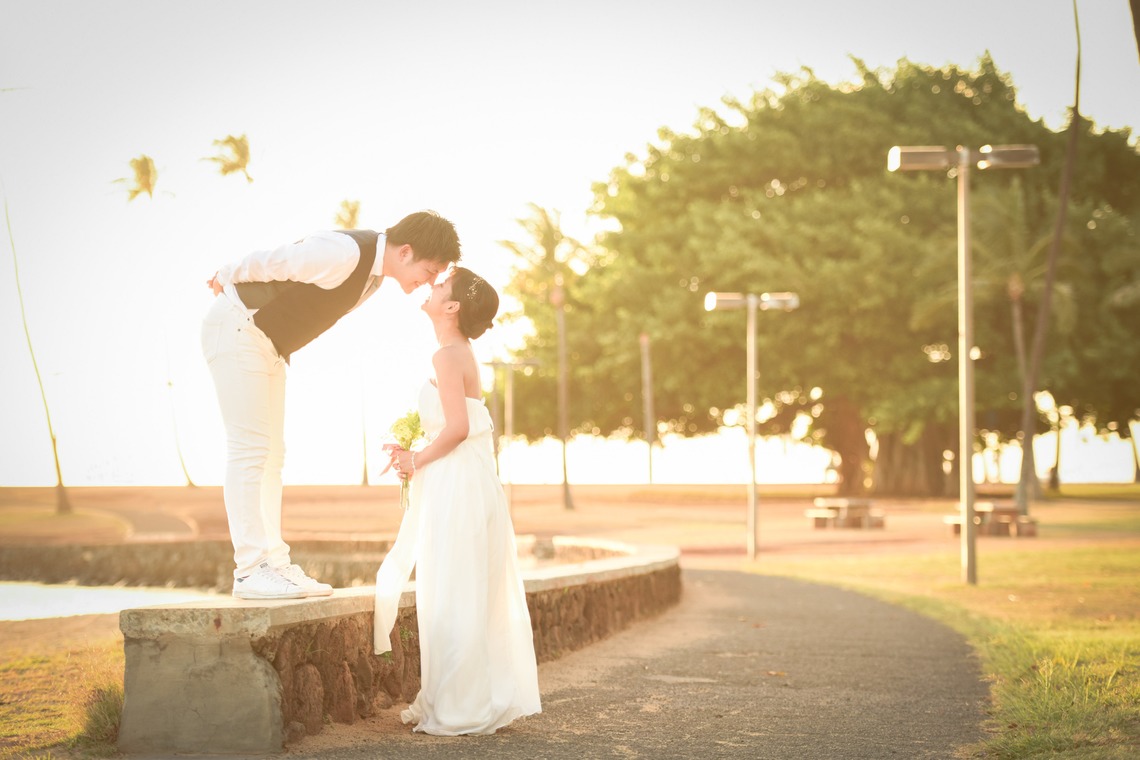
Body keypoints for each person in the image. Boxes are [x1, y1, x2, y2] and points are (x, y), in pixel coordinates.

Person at [202, 211, 461, 600]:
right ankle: (250, 569)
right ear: (405, 251)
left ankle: (274, 563)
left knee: (273, 456)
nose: (429, 281)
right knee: (250, 449)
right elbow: (279, 259)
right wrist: (227, 273)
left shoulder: (374, 276)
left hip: (268, 346)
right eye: (429, 270)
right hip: (239, 328)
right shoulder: (344, 252)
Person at [374, 267, 541, 735]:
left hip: (456, 485)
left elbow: (457, 428)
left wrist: (415, 458)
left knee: (452, 590)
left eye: (440, 286)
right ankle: (457, 695)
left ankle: (461, 704)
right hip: (465, 481)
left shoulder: (448, 355)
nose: (431, 288)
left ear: (452, 307)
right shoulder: (458, 353)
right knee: (460, 588)